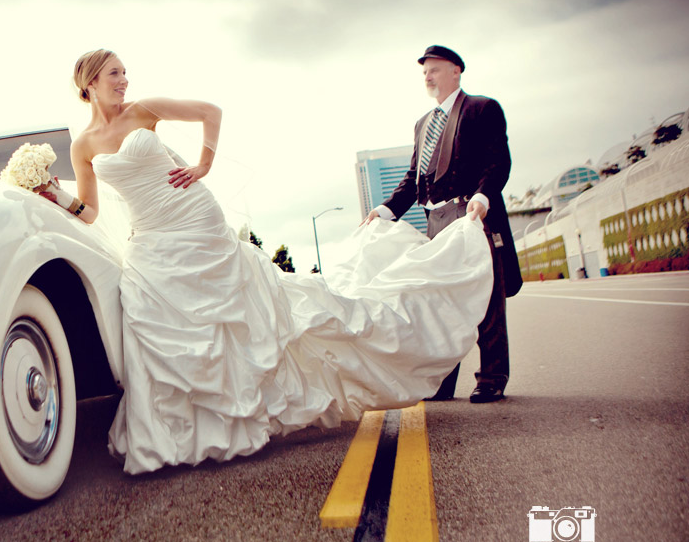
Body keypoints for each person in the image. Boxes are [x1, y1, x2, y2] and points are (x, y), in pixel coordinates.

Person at [41, 48, 494, 474]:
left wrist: (203, 166)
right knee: (153, 317)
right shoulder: (83, 146)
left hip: (194, 218)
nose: (124, 80)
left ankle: (241, 416)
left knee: (234, 316)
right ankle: (183, 430)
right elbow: (92, 210)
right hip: (151, 239)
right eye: (114, 73)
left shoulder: (144, 109)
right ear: (90, 83)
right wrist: (54, 195)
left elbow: (210, 113)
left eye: (124, 71)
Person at [364, 45, 523, 404]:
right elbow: (413, 177)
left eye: (434, 69)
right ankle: (443, 382)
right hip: (435, 221)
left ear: (456, 71)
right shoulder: (423, 124)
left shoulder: (482, 108)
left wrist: (483, 197)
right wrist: (387, 209)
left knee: (486, 299)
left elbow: (498, 161)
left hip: (471, 213)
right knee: (443, 303)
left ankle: (491, 377)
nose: (428, 76)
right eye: (424, 72)